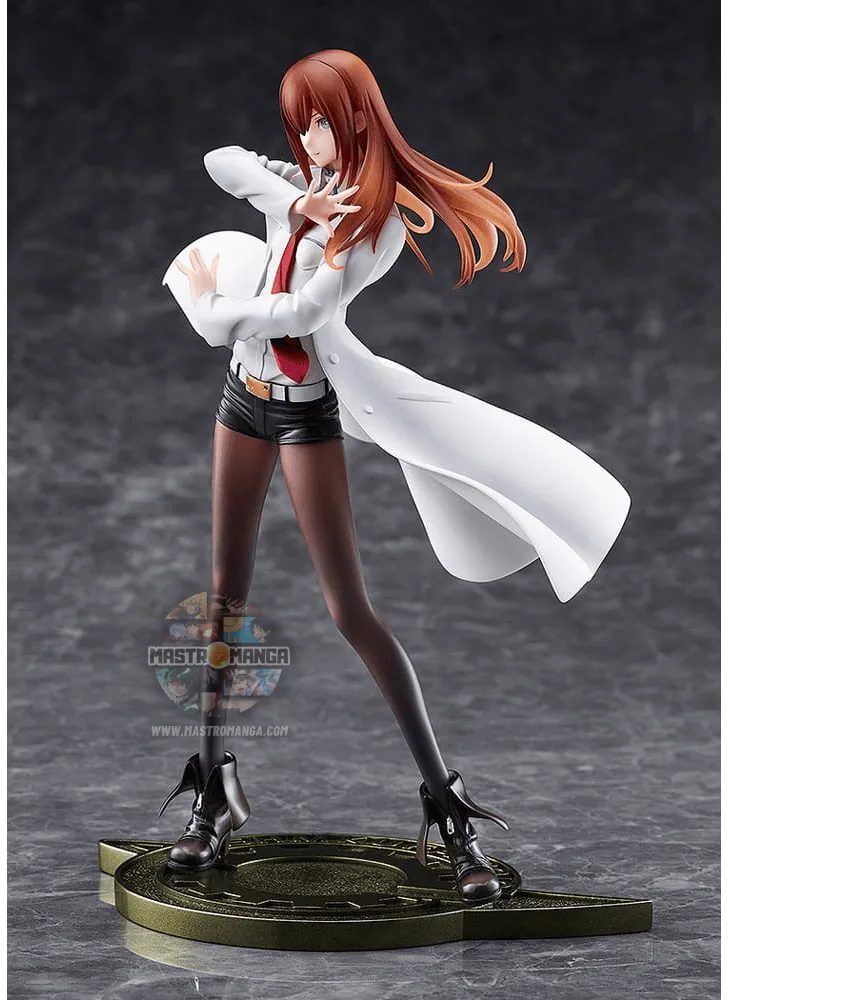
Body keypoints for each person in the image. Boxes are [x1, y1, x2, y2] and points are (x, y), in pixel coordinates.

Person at [158, 49, 629, 906]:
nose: (306, 140)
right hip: (241, 401)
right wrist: (289, 199)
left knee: (351, 610)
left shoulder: (373, 227)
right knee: (224, 595)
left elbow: (303, 311)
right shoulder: (304, 186)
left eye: (319, 122)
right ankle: (212, 798)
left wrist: (214, 312)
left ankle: (450, 813)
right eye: (297, 124)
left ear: (357, 118)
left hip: (304, 411)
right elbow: (220, 162)